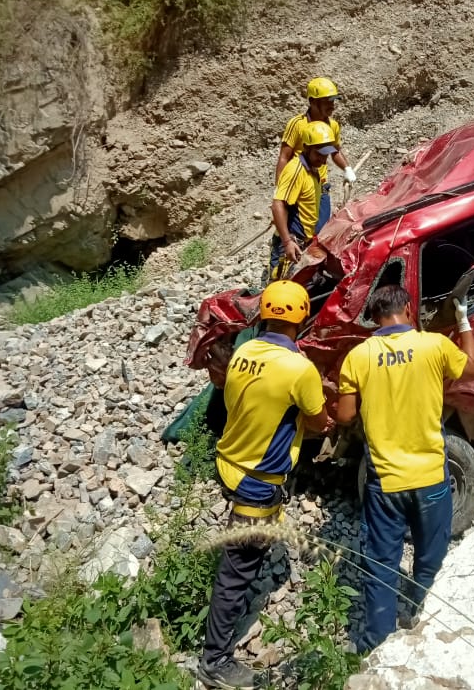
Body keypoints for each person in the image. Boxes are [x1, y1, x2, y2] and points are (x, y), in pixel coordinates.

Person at [335, 285, 474, 652]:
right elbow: (473, 369)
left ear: (375, 318)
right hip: (432, 477)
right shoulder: (434, 346)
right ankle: (422, 615)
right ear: (409, 311)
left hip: (385, 482)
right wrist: (463, 321)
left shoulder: (359, 356)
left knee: (382, 563)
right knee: (431, 556)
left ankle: (378, 644)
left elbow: (346, 415)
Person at [199, 280, 329, 690]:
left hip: (231, 465)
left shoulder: (243, 354)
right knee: (237, 570)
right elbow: (320, 421)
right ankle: (214, 660)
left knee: (246, 551)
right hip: (258, 481)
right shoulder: (299, 368)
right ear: (302, 318)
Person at [276, 77, 356, 233]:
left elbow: (335, 151)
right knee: (297, 232)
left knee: (321, 230)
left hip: (321, 186)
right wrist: (280, 190)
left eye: (333, 102)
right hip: (300, 189)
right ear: (313, 102)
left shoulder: (332, 125)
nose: (332, 106)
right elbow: (284, 157)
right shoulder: (297, 124)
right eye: (327, 102)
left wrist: (347, 169)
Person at [268, 121, 338, 282]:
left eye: (326, 154)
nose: (323, 159)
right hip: (291, 243)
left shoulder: (314, 169)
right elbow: (278, 203)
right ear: (307, 148)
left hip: (303, 241)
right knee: (279, 291)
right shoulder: (296, 170)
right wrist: (287, 242)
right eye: (319, 154)